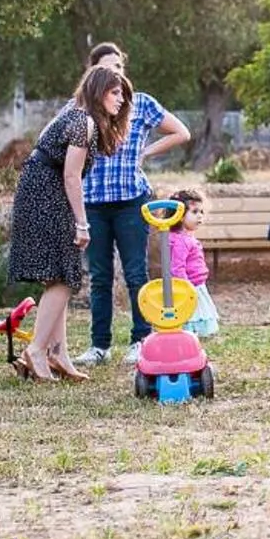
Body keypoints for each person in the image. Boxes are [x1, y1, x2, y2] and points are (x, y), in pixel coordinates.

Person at [7, 64, 131, 382]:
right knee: (63, 278)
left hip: (42, 193)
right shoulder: (83, 122)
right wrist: (82, 222)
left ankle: (58, 353)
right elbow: (71, 176)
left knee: (59, 276)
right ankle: (36, 350)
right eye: (114, 92)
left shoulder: (77, 116)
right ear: (98, 91)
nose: (120, 100)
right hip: (47, 196)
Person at [75, 42, 192, 367]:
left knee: (135, 272)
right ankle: (100, 346)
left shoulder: (139, 103)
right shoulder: (80, 108)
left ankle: (141, 339)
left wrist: (146, 152)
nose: (116, 73)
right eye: (108, 68)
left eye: (120, 67)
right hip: (93, 203)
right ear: (92, 72)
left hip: (132, 202)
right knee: (99, 276)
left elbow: (181, 132)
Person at [167, 187, 220, 338]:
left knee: (199, 311)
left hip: (196, 284)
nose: (200, 217)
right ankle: (191, 333)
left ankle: (194, 333)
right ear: (179, 215)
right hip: (190, 286)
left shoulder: (186, 237)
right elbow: (177, 268)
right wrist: (186, 288)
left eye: (202, 212)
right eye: (194, 212)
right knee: (191, 313)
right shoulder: (180, 240)